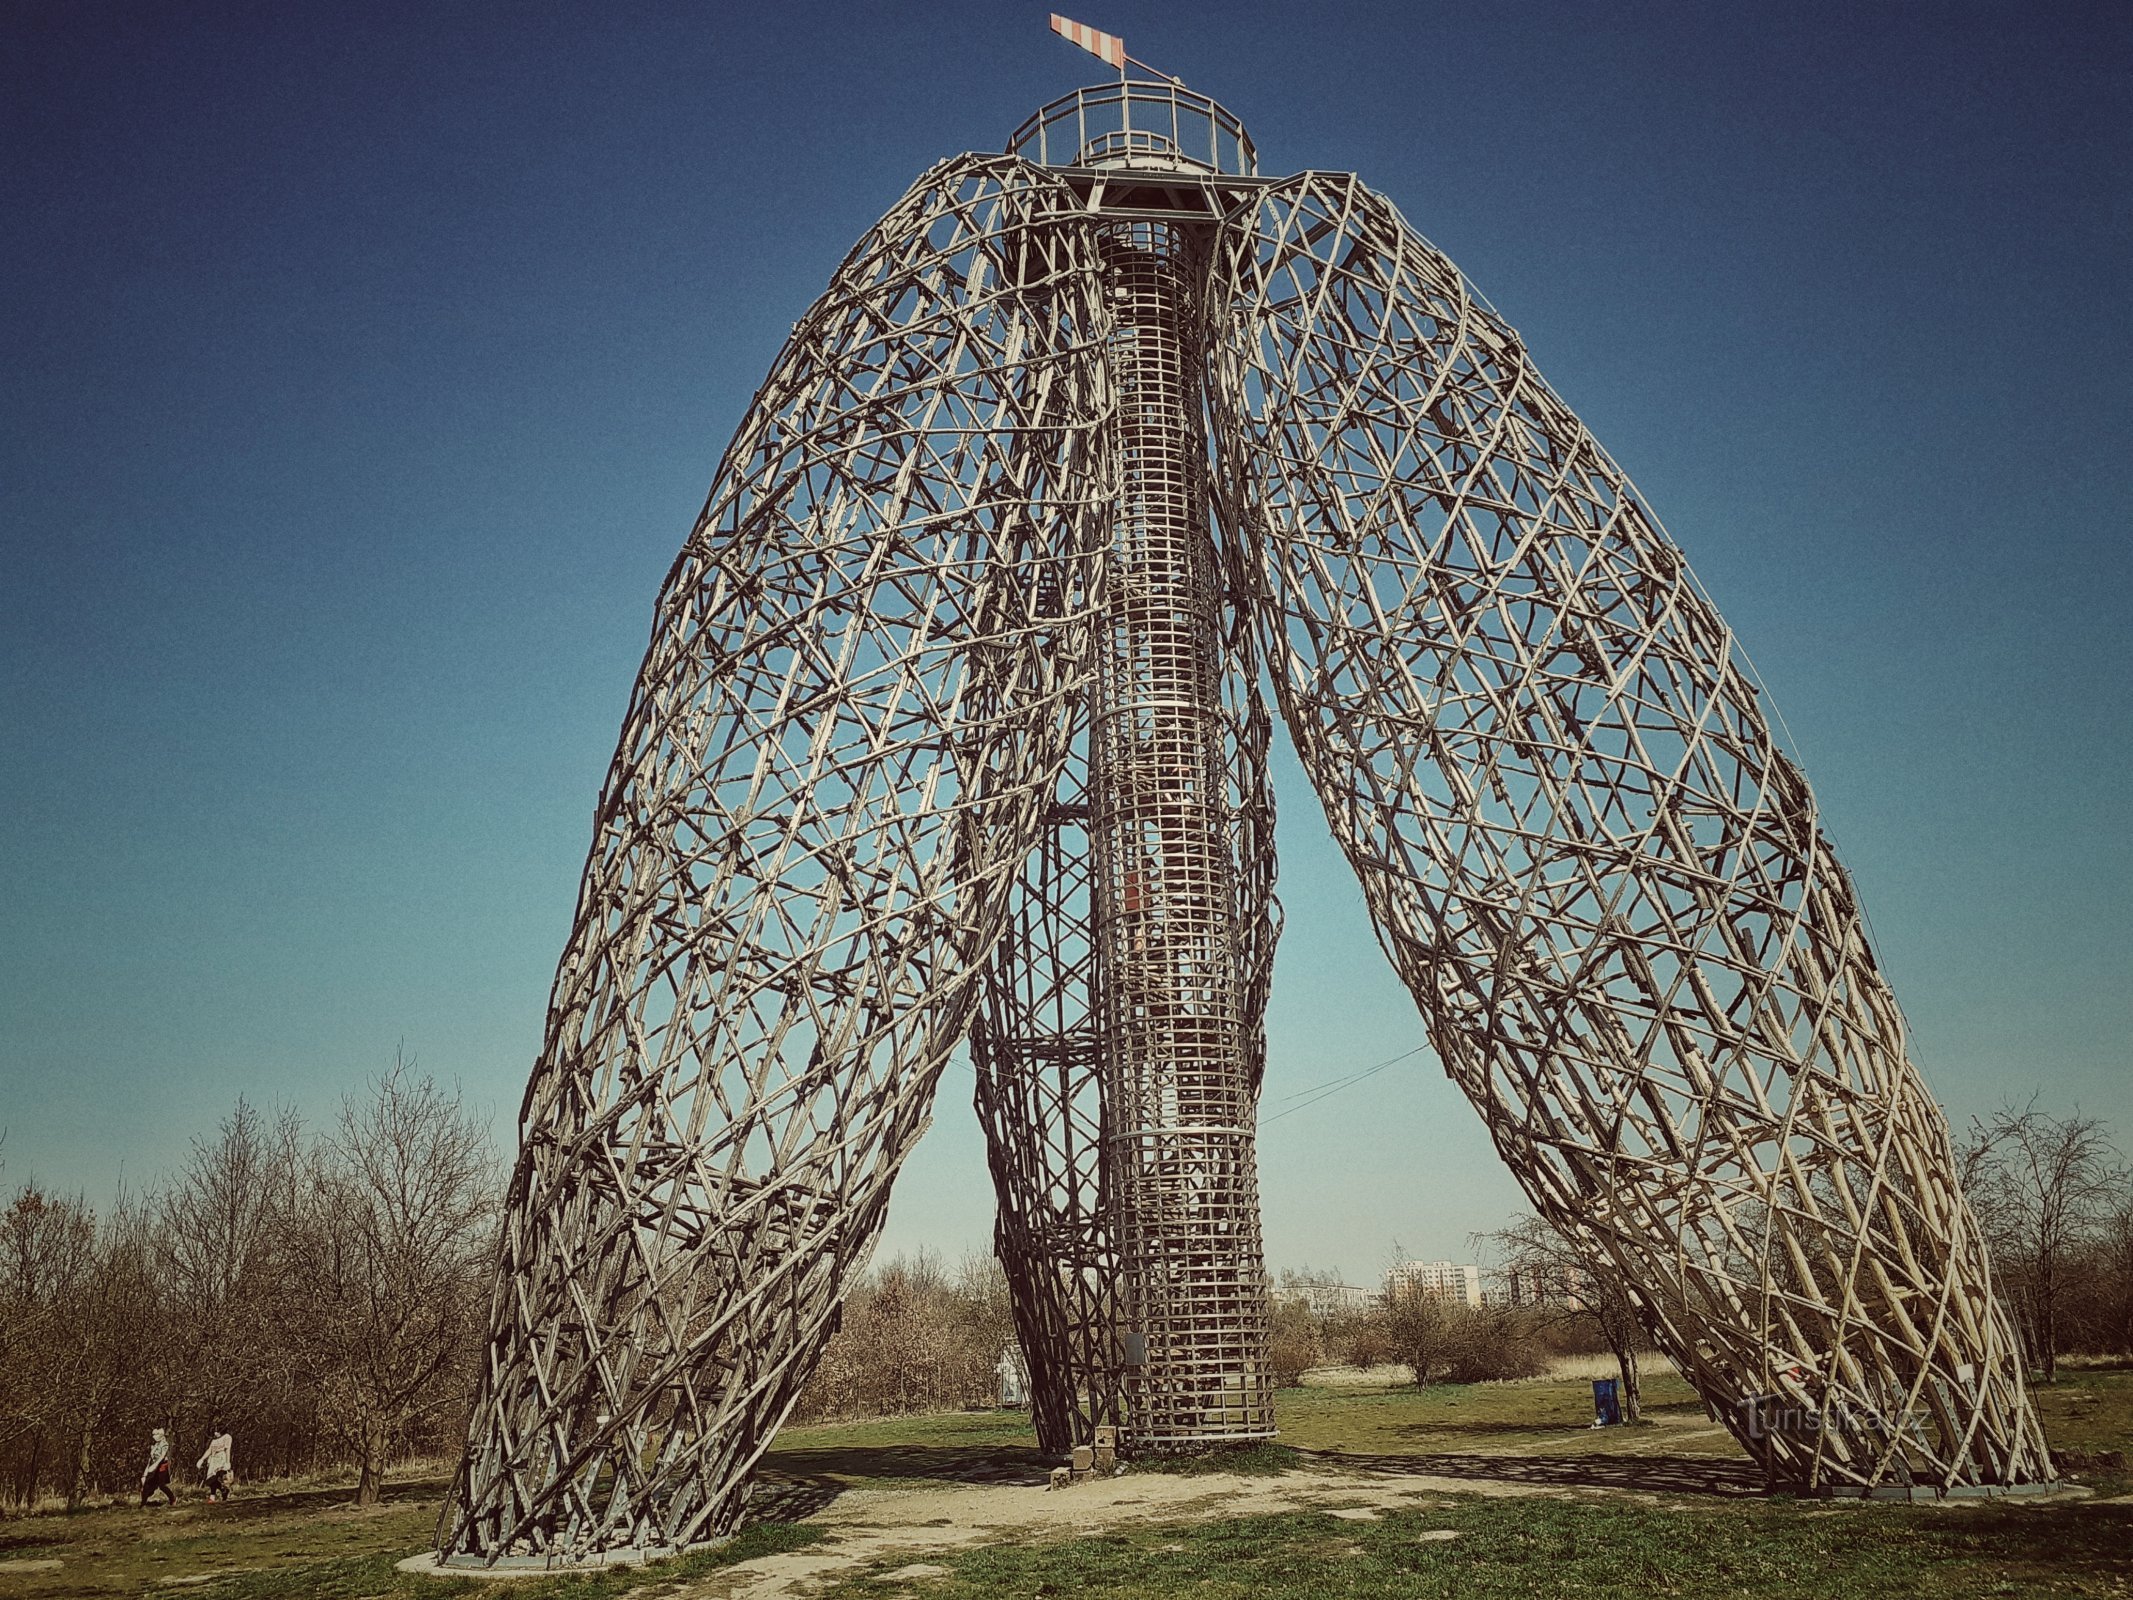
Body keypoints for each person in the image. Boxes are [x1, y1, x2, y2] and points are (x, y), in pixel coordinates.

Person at [197, 1425, 234, 1502]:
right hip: (213, 1459)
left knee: (221, 1477)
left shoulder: (227, 1437)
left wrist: (227, 1462)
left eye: (216, 1431)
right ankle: (217, 1493)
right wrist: (202, 1459)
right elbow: (209, 1450)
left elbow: (227, 1450)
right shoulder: (214, 1440)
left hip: (221, 1458)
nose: (215, 1433)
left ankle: (222, 1491)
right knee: (211, 1479)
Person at [139, 1428, 175, 1505]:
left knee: (161, 1485)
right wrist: (145, 1473)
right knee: (146, 1484)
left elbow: (162, 1456)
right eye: (153, 1434)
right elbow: (150, 1459)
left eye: (156, 1434)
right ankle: (143, 1504)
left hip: (161, 1466)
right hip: (153, 1466)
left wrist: (155, 1465)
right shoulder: (154, 1445)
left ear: (161, 1435)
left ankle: (172, 1499)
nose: (154, 1436)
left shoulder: (164, 1444)